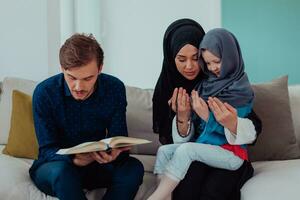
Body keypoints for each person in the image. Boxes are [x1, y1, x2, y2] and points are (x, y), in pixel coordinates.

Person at [152, 19, 262, 200]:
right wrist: (183, 118)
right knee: (185, 186)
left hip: (228, 154)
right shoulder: (168, 90)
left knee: (214, 190)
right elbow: (176, 146)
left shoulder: (228, 83)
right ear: (171, 58)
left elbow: (254, 127)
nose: (189, 66)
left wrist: (230, 123)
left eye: (196, 58)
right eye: (181, 59)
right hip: (196, 153)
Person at [29, 33, 144, 200]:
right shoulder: (44, 93)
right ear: (62, 68)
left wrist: (114, 153)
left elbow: (118, 137)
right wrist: (74, 159)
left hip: (97, 165)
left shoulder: (114, 88)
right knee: (62, 172)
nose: (78, 87)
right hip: (57, 167)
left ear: (100, 68)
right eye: (71, 77)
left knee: (133, 168)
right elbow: (46, 150)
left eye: (88, 78)